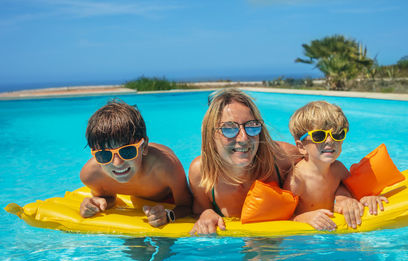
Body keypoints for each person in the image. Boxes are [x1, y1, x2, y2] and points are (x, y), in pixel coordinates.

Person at [188, 88, 299, 234]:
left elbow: (325, 172)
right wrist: (206, 213)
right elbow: (198, 211)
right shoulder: (202, 173)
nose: (244, 138)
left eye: (252, 126)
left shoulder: (282, 157)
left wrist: (340, 197)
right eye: (229, 128)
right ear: (211, 134)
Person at [79, 99, 192, 227]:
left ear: (143, 147)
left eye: (127, 151)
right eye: (104, 155)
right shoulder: (91, 175)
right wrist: (95, 203)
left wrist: (168, 215)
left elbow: (186, 205)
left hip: (168, 199)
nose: (117, 163)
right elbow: (109, 198)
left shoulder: (165, 166)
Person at [284, 100, 388, 231]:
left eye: (337, 135)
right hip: (305, 239)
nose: (330, 141)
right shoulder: (297, 180)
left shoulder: (338, 169)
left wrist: (367, 199)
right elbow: (281, 217)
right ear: (301, 146)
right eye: (319, 136)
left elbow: (354, 192)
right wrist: (302, 218)